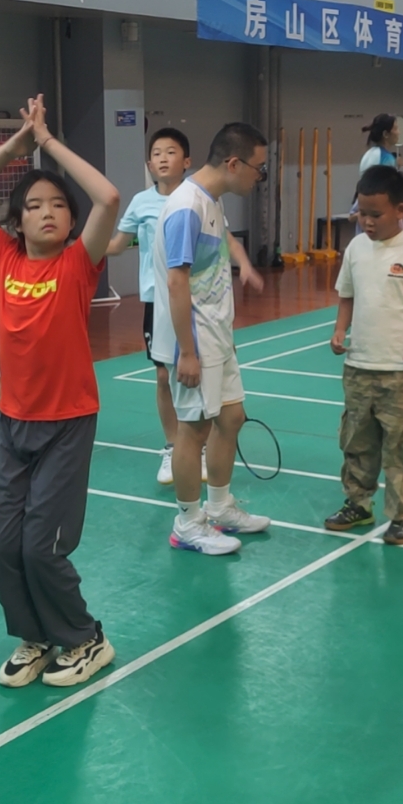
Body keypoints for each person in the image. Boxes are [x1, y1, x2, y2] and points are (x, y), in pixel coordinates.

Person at [0, 94, 121, 688]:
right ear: (16, 222)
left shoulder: (77, 264)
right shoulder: (3, 255)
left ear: (71, 221)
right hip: (12, 423)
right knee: (2, 549)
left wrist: (47, 144)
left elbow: (108, 197)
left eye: (58, 205)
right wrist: (14, 149)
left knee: (41, 548)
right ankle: (36, 637)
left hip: (67, 423)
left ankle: (86, 638)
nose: (47, 213)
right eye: (34, 206)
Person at [155, 122, 272, 556]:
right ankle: (187, 524)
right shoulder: (186, 207)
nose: (260, 178)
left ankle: (219, 507)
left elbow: (212, 269)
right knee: (194, 429)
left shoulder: (211, 201)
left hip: (216, 335)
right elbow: (177, 282)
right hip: (194, 341)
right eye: (259, 169)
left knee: (232, 417)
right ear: (234, 163)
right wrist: (187, 351)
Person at [324, 165, 403, 546]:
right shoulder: (356, 248)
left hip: (402, 370)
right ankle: (358, 503)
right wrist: (340, 330)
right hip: (359, 365)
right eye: (362, 213)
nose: (367, 222)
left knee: (402, 445)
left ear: (400, 210)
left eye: (376, 214)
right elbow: (347, 295)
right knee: (356, 438)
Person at [109, 126, 200, 485]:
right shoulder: (140, 202)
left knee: (196, 374)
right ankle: (172, 447)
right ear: (149, 164)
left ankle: (198, 447)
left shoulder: (198, 198)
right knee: (164, 375)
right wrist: (79, 247)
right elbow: (117, 245)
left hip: (195, 299)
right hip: (156, 301)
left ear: (187, 161)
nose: (163, 158)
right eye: (156, 154)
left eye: (171, 152)